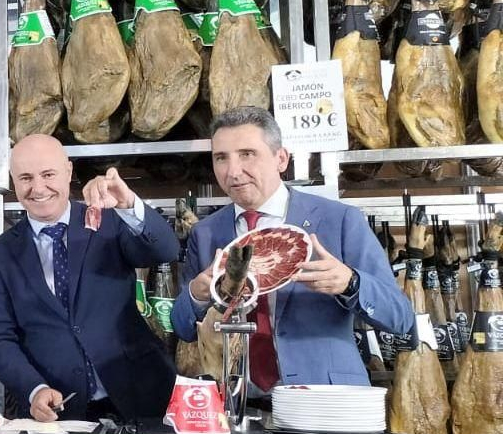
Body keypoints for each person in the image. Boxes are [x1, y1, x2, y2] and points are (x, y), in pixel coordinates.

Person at [171, 107, 413, 389]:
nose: (233, 171)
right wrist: (197, 295)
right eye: (221, 158)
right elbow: (183, 327)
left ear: (281, 159)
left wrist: (350, 282)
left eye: (247, 154)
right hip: (236, 401)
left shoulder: (339, 220)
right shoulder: (206, 232)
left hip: (323, 400)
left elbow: (400, 318)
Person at [0, 134, 180, 422]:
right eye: (25, 178)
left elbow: (165, 249)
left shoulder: (111, 220)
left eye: (48, 174)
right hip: (57, 409)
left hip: (143, 394)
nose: (38, 188)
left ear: (68, 172)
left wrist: (127, 204)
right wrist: (34, 389)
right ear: (13, 181)